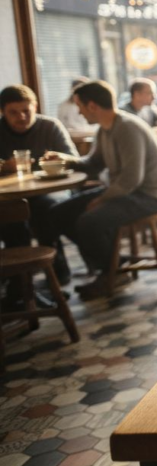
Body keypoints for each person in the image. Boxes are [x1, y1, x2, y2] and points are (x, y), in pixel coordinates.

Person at [42, 81, 157, 300]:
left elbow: (132, 179)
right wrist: (67, 160)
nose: (80, 113)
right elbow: (93, 163)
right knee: (58, 214)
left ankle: (110, 271)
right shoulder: (105, 129)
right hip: (124, 192)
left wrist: (102, 199)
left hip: (148, 195)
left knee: (88, 221)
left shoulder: (128, 128)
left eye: (80, 107)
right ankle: (112, 263)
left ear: (92, 105)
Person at [0, 84, 77, 302]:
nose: (22, 117)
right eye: (13, 112)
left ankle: (57, 269)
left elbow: (71, 158)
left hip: (50, 189)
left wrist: (56, 159)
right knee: (11, 218)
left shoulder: (50, 126)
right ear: (2, 112)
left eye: (27, 110)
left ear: (35, 106)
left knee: (46, 209)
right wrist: (5, 166)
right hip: (10, 195)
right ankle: (19, 282)